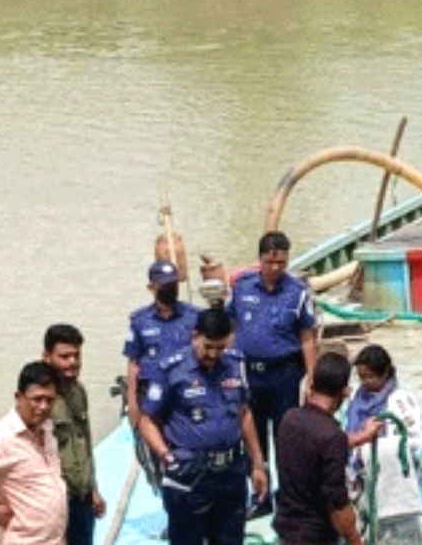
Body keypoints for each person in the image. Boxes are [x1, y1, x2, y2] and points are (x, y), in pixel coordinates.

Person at [138, 309, 269, 545]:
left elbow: (244, 414)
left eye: (220, 348)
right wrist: (165, 456)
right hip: (189, 473)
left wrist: (258, 464)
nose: (212, 354)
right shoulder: (170, 370)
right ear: (195, 336)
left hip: (231, 472)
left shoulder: (235, 365)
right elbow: (147, 420)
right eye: (207, 346)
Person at [226, 231, 317, 517]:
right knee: (254, 440)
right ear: (260, 260)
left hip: (285, 375)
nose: (276, 267)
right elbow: (229, 328)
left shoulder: (298, 291)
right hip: (249, 374)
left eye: (281, 262)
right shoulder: (241, 288)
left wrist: (311, 377)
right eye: (270, 261)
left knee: (286, 439)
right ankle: (261, 497)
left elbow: (307, 337)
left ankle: (290, 500)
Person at [0, 361, 67, 545]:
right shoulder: (2, 438)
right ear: (19, 397)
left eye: (49, 400)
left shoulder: (47, 428)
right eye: (37, 399)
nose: (43, 406)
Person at [273, 353, 364, 545]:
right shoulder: (332, 436)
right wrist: (354, 539)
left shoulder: (289, 420)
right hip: (316, 536)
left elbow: (315, 448)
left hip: (287, 532)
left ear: (311, 383)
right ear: (345, 392)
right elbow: (337, 505)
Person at [345, 345, 422, 545]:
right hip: (362, 475)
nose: (365, 382)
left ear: (385, 372)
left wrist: (380, 442)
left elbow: (412, 439)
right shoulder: (356, 399)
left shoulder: (401, 400)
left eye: (370, 377)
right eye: (361, 377)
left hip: (390, 477)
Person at [43, 325, 106, 545]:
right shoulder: (42, 401)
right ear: (47, 356)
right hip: (55, 504)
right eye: (64, 356)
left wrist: (93, 489)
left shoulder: (78, 392)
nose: (72, 363)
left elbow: (85, 444)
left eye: (76, 356)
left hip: (81, 499)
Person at [125, 260, 200, 426]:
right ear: (151, 288)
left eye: (173, 284)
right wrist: (132, 402)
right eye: (164, 285)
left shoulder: (194, 316)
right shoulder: (139, 320)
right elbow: (133, 362)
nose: (170, 289)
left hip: (185, 391)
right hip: (151, 392)